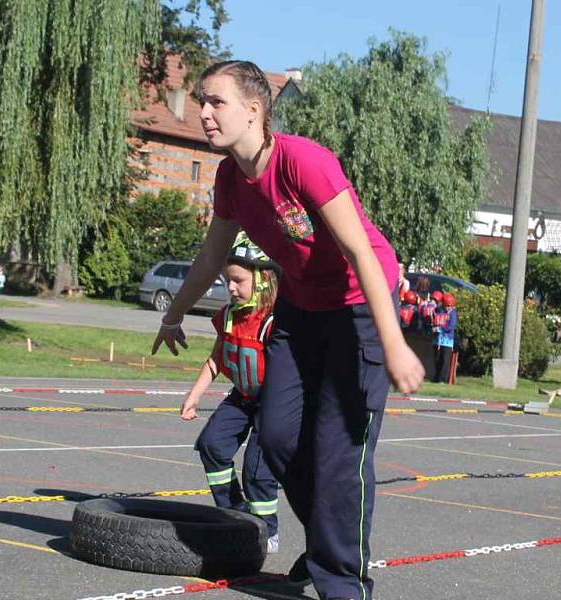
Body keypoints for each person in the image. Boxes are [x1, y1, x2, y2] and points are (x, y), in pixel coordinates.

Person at [151, 60, 424, 600]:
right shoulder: (231, 178)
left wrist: (393, 343)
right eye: (200, 102)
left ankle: (344, 583)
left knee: (340, 453)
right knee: (275, 438)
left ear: (254, 110)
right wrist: (174, 313)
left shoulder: (304, 162)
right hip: (300, 311)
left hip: (360, 310)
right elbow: (212, 257)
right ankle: (327, 543)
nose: (203, 113)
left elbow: (360, 253)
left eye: (216, 102)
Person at [181, 233, 282, 554]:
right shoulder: (228, 316)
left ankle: (268, 530)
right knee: (211, 445)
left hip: (273, 403)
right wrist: (195, 395)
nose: (231, 287)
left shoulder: (274, 322)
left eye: (238, 280)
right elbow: (215, 359)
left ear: (263, 280)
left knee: (256, 468)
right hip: (243, 397)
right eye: (227, 280)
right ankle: (235, 513)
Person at [431, 293, 457, 383]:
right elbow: (435, 320)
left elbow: (451, 326)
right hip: (437, 340)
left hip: (447, 341)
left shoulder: (452, 313)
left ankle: (443, 379)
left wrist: (439, 328)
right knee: (437, 360)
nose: (449, 308)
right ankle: (436, 378)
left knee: (445, 361)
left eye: (450, 306)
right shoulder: (438, 310)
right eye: (447, 306)